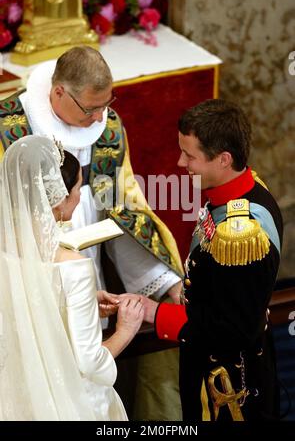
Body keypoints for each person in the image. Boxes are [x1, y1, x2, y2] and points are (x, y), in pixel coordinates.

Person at [0, 46, 183, 420]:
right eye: (90, 109)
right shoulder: (8, 128)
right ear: (58, 93)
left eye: (107, 104)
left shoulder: (107, 126)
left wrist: (162, 281)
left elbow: (123, 209)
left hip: (84, 269)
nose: (101, 116)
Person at [142, 99, 283, 421]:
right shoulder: (242, 191)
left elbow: (234, 330)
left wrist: (158, 314)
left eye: (190, 155)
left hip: (229, 383)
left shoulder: (241, 233)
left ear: (223, 159)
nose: (180, 162)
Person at [0, 135, 144, 421]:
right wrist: (125, 330)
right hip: (68, 403)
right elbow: (90, 363)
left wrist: (84, 302)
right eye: (79, 187)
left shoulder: (6, 251)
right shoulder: (73, 267)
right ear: (58, 199)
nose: (81, 196)